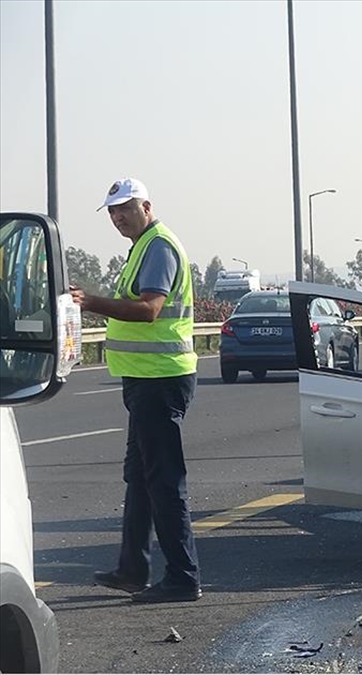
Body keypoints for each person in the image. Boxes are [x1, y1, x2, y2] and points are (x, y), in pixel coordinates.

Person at [71, 178, 202, 602]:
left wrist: (91, 302)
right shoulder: (143, 247)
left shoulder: (159, 246)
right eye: (111, 211)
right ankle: (132, 569)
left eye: (124, 208)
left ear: (146, 206)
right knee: (140, 478)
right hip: (145, 379)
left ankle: (182, 578)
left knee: (164, 481)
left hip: (160, 379)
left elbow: (149, 310)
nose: (117, 217)